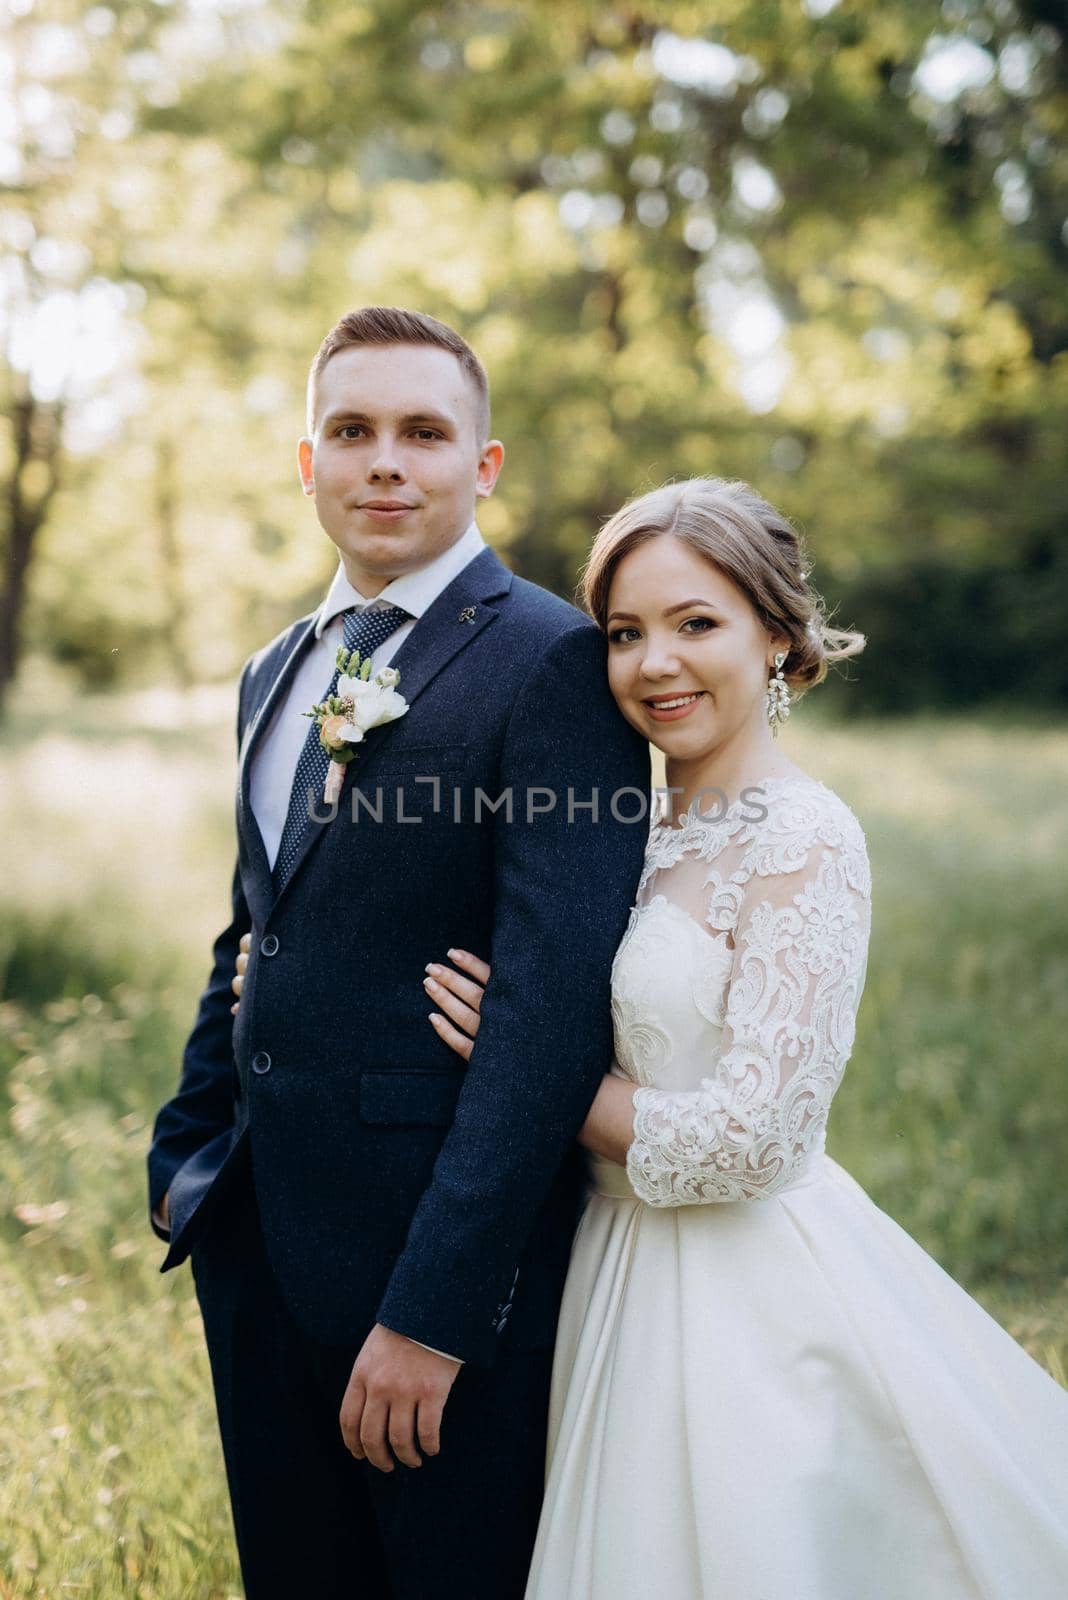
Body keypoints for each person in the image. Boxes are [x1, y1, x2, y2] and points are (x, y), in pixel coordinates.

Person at [407, 478, 1068, 1599]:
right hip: (596, 1269)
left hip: (739, 1298)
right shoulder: (616, 824)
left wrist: (533, 1077)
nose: (655, 663)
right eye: (625, 633)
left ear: (774, 634)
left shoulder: (805, 835)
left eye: (695, 623)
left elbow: (754, 1136)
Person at [147, 306, 650, 1599]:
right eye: (352, 430)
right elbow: (256, 917)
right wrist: (186, 1143)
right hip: (255, 1235)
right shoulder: (275, 667)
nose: (386, 461)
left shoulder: (552, 663)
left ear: (482, 465)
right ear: (303, 460)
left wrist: (436, 1314)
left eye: (425, 432)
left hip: (427, 1268)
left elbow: (546, 1013)